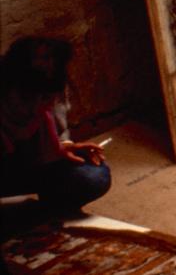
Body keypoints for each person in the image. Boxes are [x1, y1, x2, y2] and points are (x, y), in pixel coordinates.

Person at [0, 36, 111, 216]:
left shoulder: (51, 89)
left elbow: (57, 136)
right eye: (29, 98)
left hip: (30, 163)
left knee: (93, 177)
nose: (38, 106)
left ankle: (48, 212)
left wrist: (66, 147)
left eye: (45, 99)